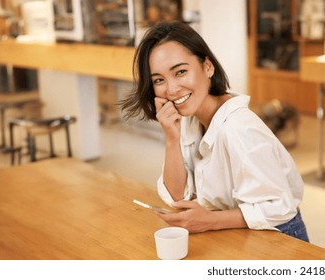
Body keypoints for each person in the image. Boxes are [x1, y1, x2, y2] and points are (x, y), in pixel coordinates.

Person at [120, 21, 309, 242]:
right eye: (159, 80)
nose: (171, 89)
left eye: (180, 72)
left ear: (207, 67)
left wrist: (210, 220)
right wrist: (172, 138)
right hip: (236, 233)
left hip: (279, 236)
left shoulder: (240, 128)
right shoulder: (189, 120)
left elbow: (279, 207)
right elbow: (176, 196)